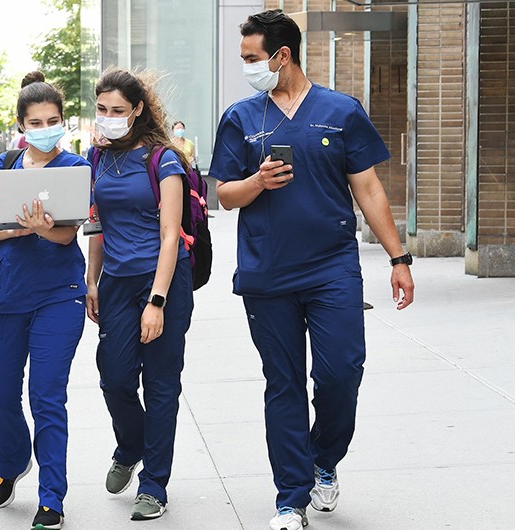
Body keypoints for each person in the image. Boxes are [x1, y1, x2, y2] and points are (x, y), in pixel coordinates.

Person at [209, 10, 415, 530]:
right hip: (267, 272)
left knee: (341, 373)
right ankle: (290, 498)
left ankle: (323, 459)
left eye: (253, 59)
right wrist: (258, 182)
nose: (247, 68)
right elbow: (226, 195)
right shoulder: (240, 117)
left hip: (332, 268)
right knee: (283, 384)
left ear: (283, 56)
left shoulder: (341, 110)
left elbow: (368, 188)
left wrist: (399, 257)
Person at [0, 71, 89, 530]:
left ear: (62, 121)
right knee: (2, 396)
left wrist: (42, 228)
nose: (45, 128)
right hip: (3, 296)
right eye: (36, 121)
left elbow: (65, 236)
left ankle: (51, 497)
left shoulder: (77, 168)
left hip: (58, 298)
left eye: (53, 119)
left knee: (47, 398)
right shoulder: (3, 166)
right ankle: (11, 463)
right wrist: (14, 226)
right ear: (22, 125)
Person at [85, 68, 194, 522]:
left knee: (162, 385)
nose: (109, 118)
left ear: (137, 110)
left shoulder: (163, 159)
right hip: (115, 282)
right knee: (114, 376)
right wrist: (92, 280)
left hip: (163, 280)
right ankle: (131, 445)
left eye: (118, 111)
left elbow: (172, 235)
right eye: (102, 110)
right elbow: (97, 223)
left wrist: (158, 301)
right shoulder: (95, 157)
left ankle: (154, 485)